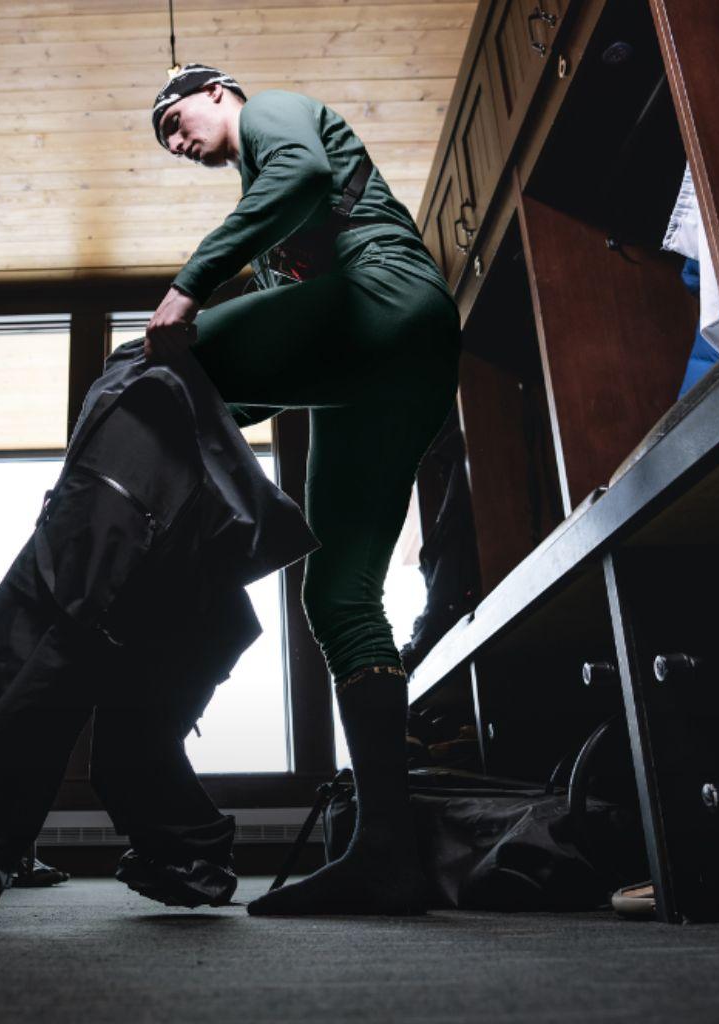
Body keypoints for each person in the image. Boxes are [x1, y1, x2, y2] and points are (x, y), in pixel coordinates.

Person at [145, 65, 462, 916]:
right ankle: (388, 848)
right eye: (168, 142)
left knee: (155, 373)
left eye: (175, 121)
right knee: (339, 592)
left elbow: (303, 176)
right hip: (393, 368)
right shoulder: (273, 218)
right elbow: (287, 328)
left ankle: (138, 672)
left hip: (385, 302)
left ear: (218, 91)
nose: (178, 144)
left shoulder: (276, 118)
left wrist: (189, 287)